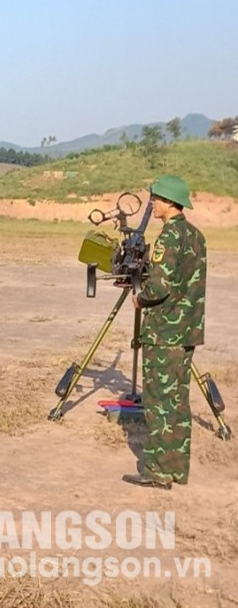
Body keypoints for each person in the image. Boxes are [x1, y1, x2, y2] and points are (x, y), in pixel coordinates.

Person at [124, 175, 206, 490]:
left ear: (169, 202)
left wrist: (139, 297)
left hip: (164, 332)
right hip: (187, 331)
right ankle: (176, 469)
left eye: (156, 199)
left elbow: (160, 286)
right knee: (178, 402)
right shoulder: (196, 236)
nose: (153, 205)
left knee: (158, 402)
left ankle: (157, 471)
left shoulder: (170, 237)